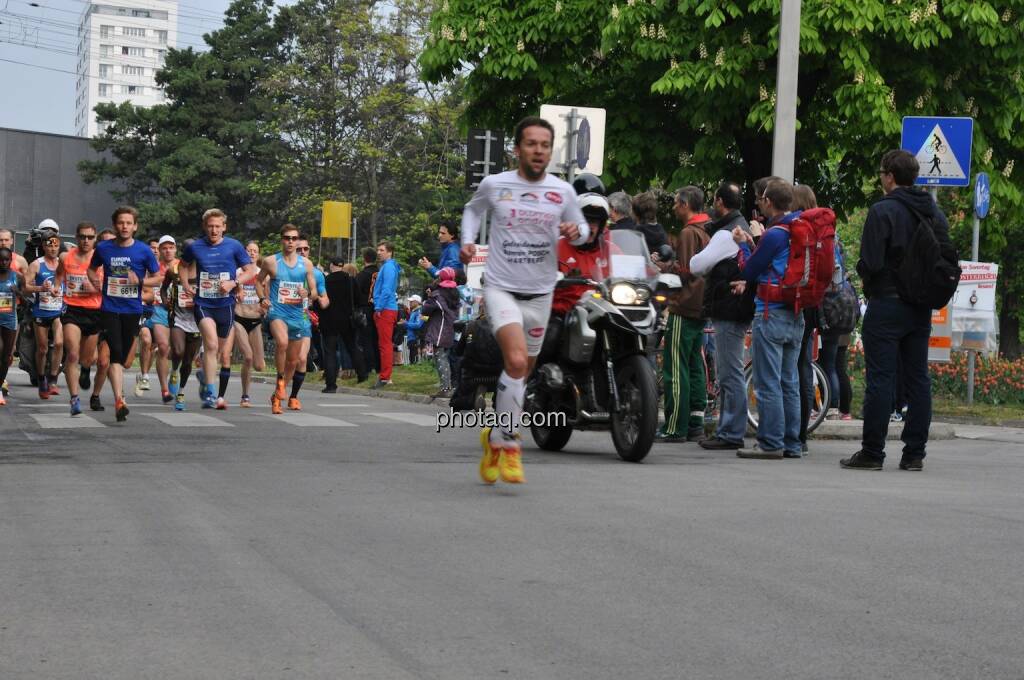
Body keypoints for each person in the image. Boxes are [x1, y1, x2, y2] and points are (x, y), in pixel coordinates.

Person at [460, 115, 589, 485]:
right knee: (515, 361)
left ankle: (493, 438)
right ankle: (511, 445)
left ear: (550, 151)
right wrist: (467, 242)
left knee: (523, 370)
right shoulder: (495, 184)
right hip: (501, 286)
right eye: (531, 144)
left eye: (545, 145)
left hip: (542, 291)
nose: (538, 151)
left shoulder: (562, 191)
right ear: (517, 149)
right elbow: (473, 210)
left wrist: (574, 231)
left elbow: (581, 230)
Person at [842, 149, 952, 471]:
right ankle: (914, 454)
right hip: (920, 307)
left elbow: (872, 262)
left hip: (886, 304)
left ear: (889, 176)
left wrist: (865, 272)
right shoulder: (934, 213)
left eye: (881, 173)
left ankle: (872, 453)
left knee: (881, 378)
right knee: (918, 378)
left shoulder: (883, 211)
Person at [730, 179, 805, 459]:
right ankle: (792, 444)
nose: (759, 205)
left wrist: (743, 245)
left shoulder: (775, 234)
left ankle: (771, 443)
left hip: (770, 311)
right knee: (790, 382)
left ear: (770, 202)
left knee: (768, 382)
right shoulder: (797, 229)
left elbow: (749, 270)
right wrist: (754, 242)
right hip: (795, 314)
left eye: (761, 200)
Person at [689, 182, 755, 450]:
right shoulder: (742, 226)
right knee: (731, 371)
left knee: (729, 373)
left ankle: (730, 432)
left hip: (729, 308)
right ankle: (728, 430)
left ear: (719, 202)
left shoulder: (726, 233)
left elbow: (697, 265)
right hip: (740, 306)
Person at [87, 206, 162, 422]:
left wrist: (139, 281)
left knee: (126, 360)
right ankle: (120, 399)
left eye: (129, 223)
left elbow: (157, 278)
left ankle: (120, 397)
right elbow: (92, 269)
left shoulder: (144, 251)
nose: (124, 226)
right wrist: (97, 283)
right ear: (114, 225)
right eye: (121, 222)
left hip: (133, 310)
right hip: (110, 308)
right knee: (116, 353)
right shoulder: (103, 248)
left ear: (135, 226)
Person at [179, 208, 256, 410]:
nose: (214, 230)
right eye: (210, 226)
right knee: (211, 345)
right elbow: (182, 265)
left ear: (224, 227)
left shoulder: (234, 246)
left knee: (221, 351)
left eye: (217, 226)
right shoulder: (196, 246)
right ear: (205, 227)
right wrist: (186, 285)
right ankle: (211, 394)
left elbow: (250, 270)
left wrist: (233, 283)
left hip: (226, 304)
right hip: (204, 304)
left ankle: (205, 371)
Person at [654, 186, 710, 442]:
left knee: (676, 367)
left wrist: (667, 267)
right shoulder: (707, 230)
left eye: (677, 203)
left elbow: (687, 271)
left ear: (686, 204)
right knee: (695, 365)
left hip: (685, 304)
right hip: (702, 307)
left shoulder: (689, 233)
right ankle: (696, 421)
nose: (674, 207)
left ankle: (675, 425)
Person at [257, 224, 324, 414]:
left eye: (294, 238)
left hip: (297, 315)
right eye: (287, 238)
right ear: (282, 240)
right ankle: (279, 381)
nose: (291, 242)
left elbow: (314, 292)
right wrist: (263, 299)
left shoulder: (306, 264)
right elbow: (258, 281)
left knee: (293, 361)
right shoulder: (271, 262)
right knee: (282, 342)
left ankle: (277, 397)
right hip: (278, 312)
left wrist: (307, 293)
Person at [54, 221, 104, 416]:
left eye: (90, 237)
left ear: (95, 239)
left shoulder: (101, 259)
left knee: (87, 358)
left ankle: (85, 369)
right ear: (76, 238)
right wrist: (57, 287)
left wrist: (88, 289)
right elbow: (59, 275)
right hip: (73, 310)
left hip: (94, 311)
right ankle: (74, 399)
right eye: (82, 237)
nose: (86, 240)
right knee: (72, 354)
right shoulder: (66, 257)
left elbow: (106, 286)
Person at [24, 229, 65, 399]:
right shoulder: (36, 264)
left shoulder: (63, 264)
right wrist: (40, 288)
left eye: (56, 245)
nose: (53, 248)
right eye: (50, 245)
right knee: (41, 349)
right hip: (40, 312)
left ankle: (53, 379)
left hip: (57, 311)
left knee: (59, 343)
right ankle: (41, 379)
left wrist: (61, 293)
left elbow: (68, 284)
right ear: (44, 247)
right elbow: (25, 287)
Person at [163, 246, 201, 411]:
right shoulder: (174, 270)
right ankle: (173, 370)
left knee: (188, 360)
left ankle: (181, 392)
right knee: (178, 351)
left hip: (197, 321)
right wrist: (166, 303)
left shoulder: (203, 271)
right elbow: (163, 289)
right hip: (178, 318)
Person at [320, 256, 367, 391]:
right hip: (348, 320)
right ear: (342, 266)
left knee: (330, 352)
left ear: (331, 266)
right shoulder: (350, 280)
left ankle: (331, 384)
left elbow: (320, 302)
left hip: (329, 320)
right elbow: (359, 300)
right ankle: (362, 375)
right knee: (353, 347)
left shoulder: (325, 281)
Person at [233, 240, 266, 407]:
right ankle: (245, 396)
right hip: (239, 317)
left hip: (255, 320)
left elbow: (267, 296)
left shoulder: (262, 273)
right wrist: (237, 289)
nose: (252, 253)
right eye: (249, 250)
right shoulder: (238, 271)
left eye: (255, 251)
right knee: (247, 357)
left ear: (258, 254)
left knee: (259, 365)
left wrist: (265, 307)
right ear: (244, 253)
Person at [421, 268, 459, 399]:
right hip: (450, 330)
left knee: (440, 359)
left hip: (439, 330)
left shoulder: (437, 296)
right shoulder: (454, 294)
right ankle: (447, 386)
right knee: (445, 358)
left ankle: (445, 388)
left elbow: (425, 310)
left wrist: (428, 296)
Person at [371, 241, 401, 389]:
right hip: (386, 308)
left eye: (381, 250)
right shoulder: (389, 266)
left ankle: (385, 377)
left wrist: (378, 307)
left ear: (389, 252)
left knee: (385, 344)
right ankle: (385, 375)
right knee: (384, 344)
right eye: (378, 249)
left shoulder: (388, 267)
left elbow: (387, 289)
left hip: (385, 309)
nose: (378, 252)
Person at [0, 247, 24, 406]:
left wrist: (18, 292)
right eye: (1, 259)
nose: (3, 262)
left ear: (11, 260)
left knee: (6, 357)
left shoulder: (17, 277)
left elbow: (25, 296)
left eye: (6, 259)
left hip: (10, 320)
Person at [354, 247, 379, 374]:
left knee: (366, 339)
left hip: (365, 309)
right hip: (379, 308)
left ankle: (369, 366)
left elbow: (355, 293)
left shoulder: (362, 275)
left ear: (364, 259)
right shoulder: (380, 273)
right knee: (378, 338)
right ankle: (379, 365)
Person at [405, 294, 424, 365]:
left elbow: (418, 325)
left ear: (417, 302)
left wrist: (406, 323)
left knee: (414, 360)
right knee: (412, 359)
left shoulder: (420, 311)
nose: (410, 303)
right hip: (411, 338)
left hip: (416, 337)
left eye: (412, 301)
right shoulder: (413, 311)